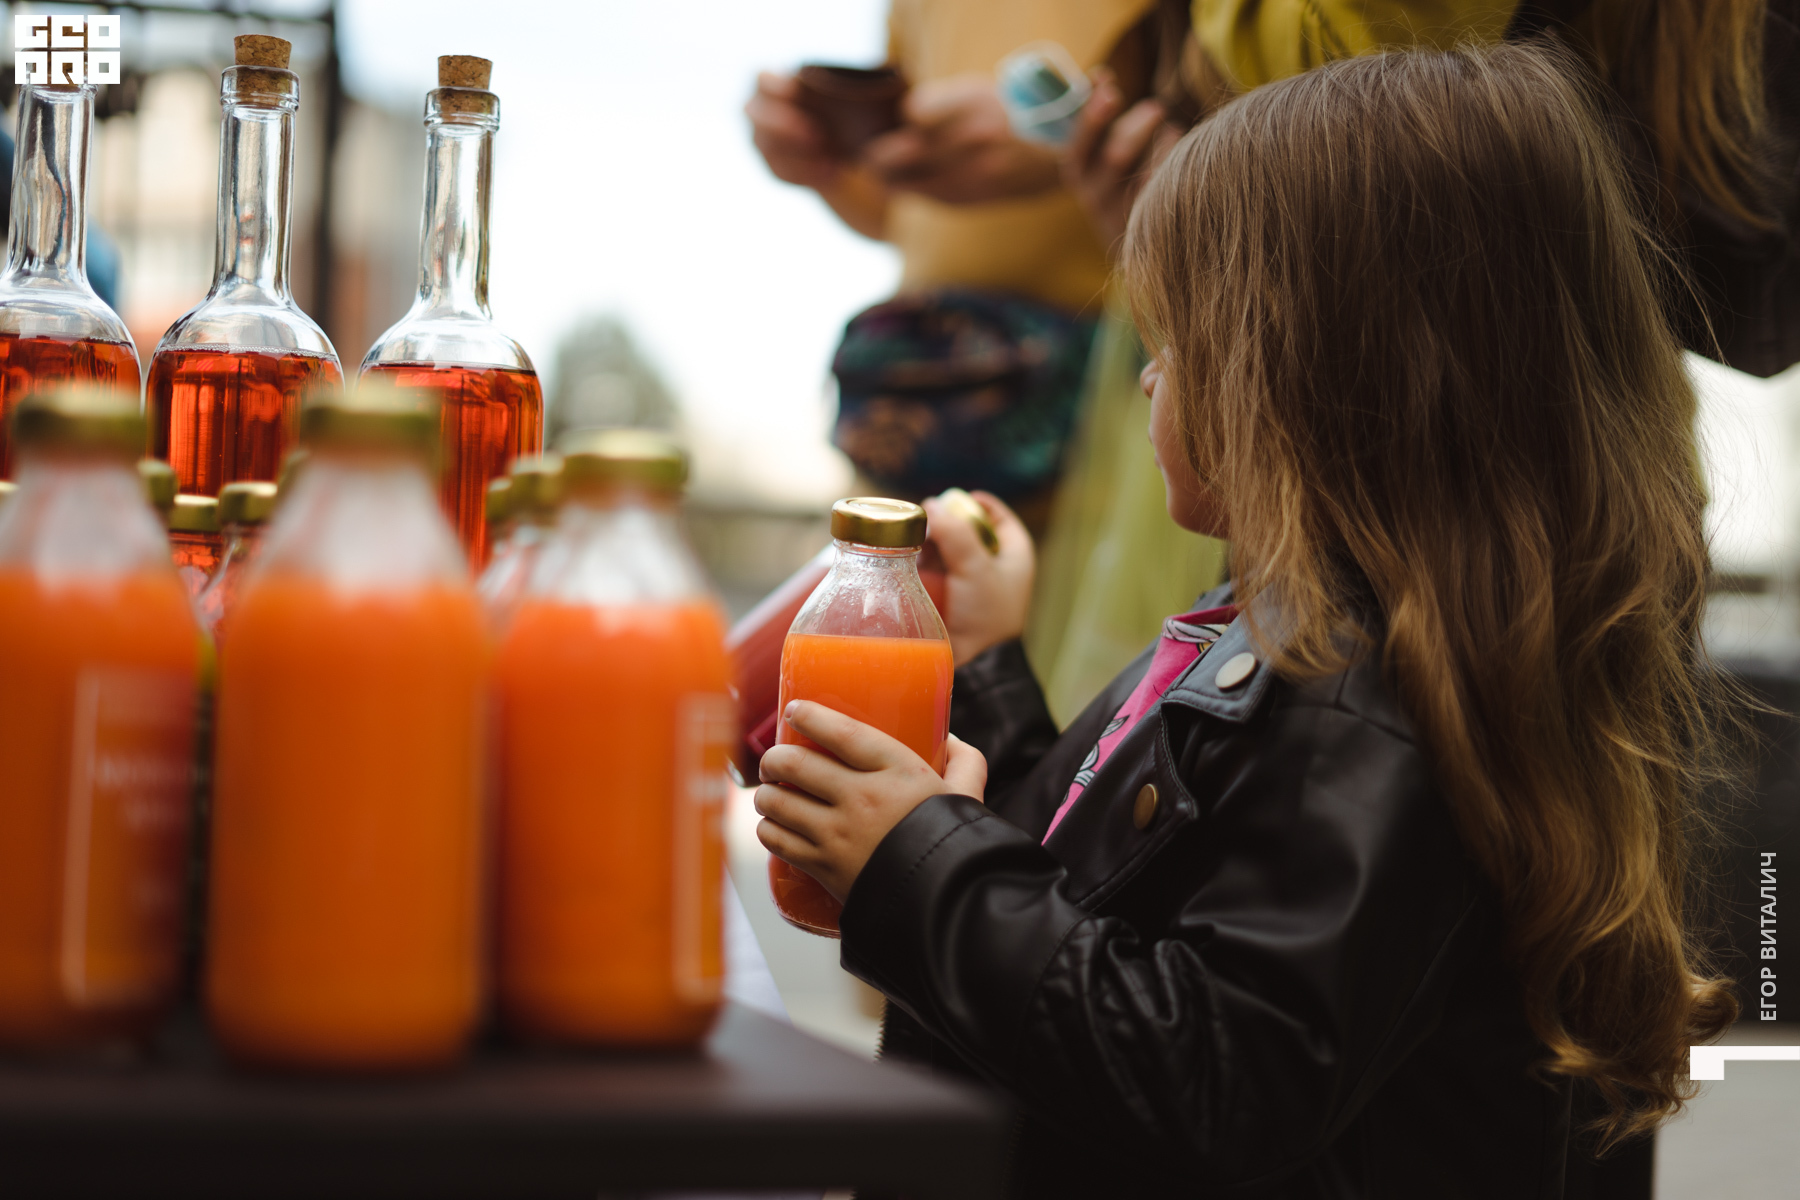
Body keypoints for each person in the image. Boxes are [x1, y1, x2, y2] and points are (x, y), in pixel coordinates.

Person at [752, 42, 1736, 1198]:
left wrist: (921, 867)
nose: (1148, 377)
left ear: (1312, 372)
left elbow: (1216, 1075)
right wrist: (989, 678)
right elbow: (1113, 899)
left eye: (1176, 339)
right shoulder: (1275, 638)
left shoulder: (1367, 697)